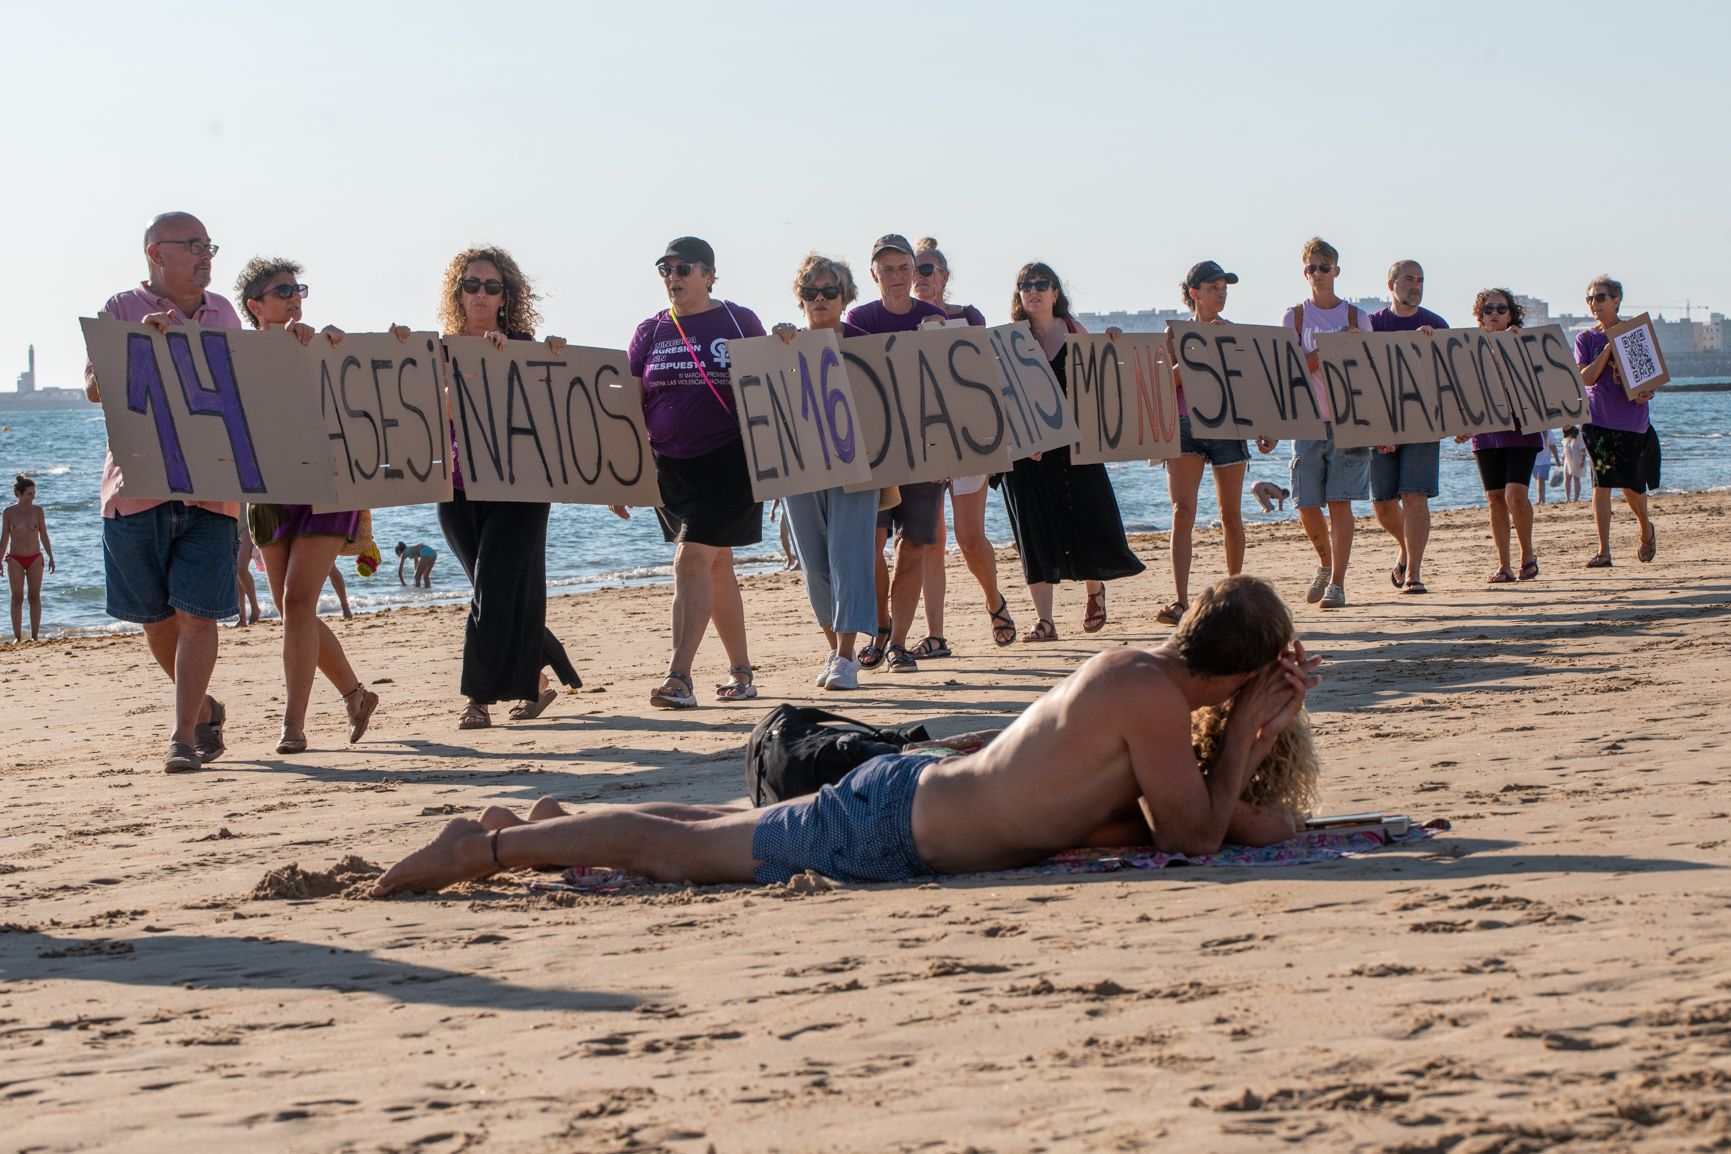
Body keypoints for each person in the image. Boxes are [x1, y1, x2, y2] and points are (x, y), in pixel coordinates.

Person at [372, 576, 1322, 896]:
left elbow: (1178, 825)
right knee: (684, 853)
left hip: (910, 802)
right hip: (895, 825)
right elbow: (1195, 837)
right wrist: (1244, 729)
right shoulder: (1152, 698)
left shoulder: (1135, 676)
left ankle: (557, 819)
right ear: (1236, 678)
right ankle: (488, 848)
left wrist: (1242, 753)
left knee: (704, 828)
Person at [86, 212, 242, 772]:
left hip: (211, 488)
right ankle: (201, 708)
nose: (206, 255)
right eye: (194, 245)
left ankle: (181, 736)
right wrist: (135, 349)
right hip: (140, 488)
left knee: (198, 615)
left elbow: (250, 389)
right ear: (157, 253)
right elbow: (93, 390)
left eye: (210, 246)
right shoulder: (120, 309)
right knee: (156, 620)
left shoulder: (223, 311)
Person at [234, 257, 380, 753]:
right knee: (290, 609)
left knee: (297, 602)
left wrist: (330, 350)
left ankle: (292, 725)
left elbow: (357, 396)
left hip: (324, 486)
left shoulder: (321, 345)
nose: (294, 297)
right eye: (281, 291)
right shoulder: (235, 353)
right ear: (255, 305)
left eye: (298, 289)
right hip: (268, 492)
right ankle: (356, 696)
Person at [433, 247, 582, 728]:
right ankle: (537, 684)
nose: (480, 293)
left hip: (519, 488)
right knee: (493, 592)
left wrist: (554, 357)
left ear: (505, 296)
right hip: (456, 488)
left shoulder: (524, 347)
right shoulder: (437, 349)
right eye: (472, 284)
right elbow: (435, 415)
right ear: (458, 293)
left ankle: (476, 699)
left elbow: (553, 410)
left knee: (493, 590)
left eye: (491, 286)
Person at [624, 237, 766, 708]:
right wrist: (619, 474)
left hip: (730, 460)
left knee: (690, 560)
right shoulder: (650, 331)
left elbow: (772, 386)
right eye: (665, 269)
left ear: (708, 274)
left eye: (683, 268)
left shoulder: (738, 321)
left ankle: (679, 677)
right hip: (670, 467)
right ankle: (742, 675)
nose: (673, 277)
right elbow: (628, 403)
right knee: (716, 565)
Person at [1000, 263, 1145, 640]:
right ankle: (1044, 620)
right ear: (1019, 294)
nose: (1033, 291)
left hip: (1076, 446)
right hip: (1028, 452)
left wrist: (1113, 343)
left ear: (1054, 291)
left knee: (1089, 516)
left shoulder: (1074, 331)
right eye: (1026, 285)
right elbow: (1001, 397)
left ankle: (1095, 589)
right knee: (1033, 529)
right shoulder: (1009, 339)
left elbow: (1107, 381)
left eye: (1041, 284)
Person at [843, 235, 951, 672]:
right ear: (874, 274)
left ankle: (900, 644)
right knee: (871, 544)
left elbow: (951, 386)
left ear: (914, 271)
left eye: (903, 268)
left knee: (914, 548)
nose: (895, 276)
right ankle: (881, 627)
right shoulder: (859, 319)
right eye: (886, 269)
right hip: (874, 452)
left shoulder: (934, 318)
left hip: (926, 450)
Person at [770, 254, 878, 691]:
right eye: (810, 292)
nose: (819, 299)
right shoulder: (783, 348)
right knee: (813, 564)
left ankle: (848, 656)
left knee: (847, 556)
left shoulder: (866, 347)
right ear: (800, 299)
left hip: (858, 468)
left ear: (845, 297)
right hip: (801, 469)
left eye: (829, 291)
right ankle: (835, 650)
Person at [910, 238, 1010, 651]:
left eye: (927, 269)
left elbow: (988, 376)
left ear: (944, 277)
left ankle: (995, 602)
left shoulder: (968, 318)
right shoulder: (899, 324)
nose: (919, 277)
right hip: (923, 441)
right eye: (913, 270)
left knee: (970, 539)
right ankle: (935, 636)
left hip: (970, 439)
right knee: (930, 541)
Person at [1156, 261, 1262, 627]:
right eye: (1214, 287)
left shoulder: (1233, 334)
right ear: (1193, 293)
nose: (1222, 293)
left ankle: (1234, 593)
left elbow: (1248, 387)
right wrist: (1197, 351)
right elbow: (1164, 386)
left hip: (1228, 426)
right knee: (1181, 512)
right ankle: (1181, 600)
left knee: (1230, 515)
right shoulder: (1174, 335)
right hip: (1186, 426)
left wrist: (1265, 426)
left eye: (1224, 287)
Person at [1284, 238, 1372, 610]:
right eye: (1311, 268)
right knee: (1305, 502)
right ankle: (1324, 562)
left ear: (1336, 271)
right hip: (1308, 420)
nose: (1317, 274)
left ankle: (1338, 582)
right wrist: (1325, 351)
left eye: (1324, 267)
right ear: (1304, 273)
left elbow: (1373, 373)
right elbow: (1290, 371)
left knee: (1340, 502)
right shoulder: (1295, 318)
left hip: (1349, 418)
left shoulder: (1357, 318)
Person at [1368, 260, 1448, 596]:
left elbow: (1451, 378)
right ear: (1391, 284)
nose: (1415, 285)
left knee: (1415, 496)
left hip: (1423, 423)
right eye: (1408, 279)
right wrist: (1379, 429)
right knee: (1383, 503)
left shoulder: (1436, 324)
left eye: (1421, 280)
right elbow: (1363, 379)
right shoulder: (1372, 324)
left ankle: (1414, 572)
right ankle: (1406, 549)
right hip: (1380, 423)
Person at [1575, 276, 1659, 568]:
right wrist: (1609, 347)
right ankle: (1604, 551)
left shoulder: (1635, 334)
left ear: (1616, 300)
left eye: (1599, 297)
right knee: (1601, 484)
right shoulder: (1586, 339)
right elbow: (1585, 378)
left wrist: (1646, 392)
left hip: (1632, 422)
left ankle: (1646, 529)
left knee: (1632, 486)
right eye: (1590, 299)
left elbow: (1647, 381)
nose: (1594, 304)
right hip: (1596, 421)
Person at [1462, 289, 1543, 584]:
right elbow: (1462, 389)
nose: (1494, 313)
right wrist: (1462, 423)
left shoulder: (1525, 343)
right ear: (1480, 316)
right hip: (1486, 432)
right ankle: (1504, 566)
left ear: (1511, 314)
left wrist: (1519, 346)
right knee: (1495, 499)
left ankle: (1527, 555)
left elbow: (1546, 381)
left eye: (1500, 308)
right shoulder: (1468, 348)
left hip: (1523, 428)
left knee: (1515, 494)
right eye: (1488, 309)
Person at [1, 474, 55, 642]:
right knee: (16, 598)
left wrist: (51, 556)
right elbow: (4, 538)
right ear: (19, 494)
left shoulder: (38, 511)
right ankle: (18, 637)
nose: (33, 496)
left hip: (35, 559)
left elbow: (44, 535)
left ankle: (34, 636)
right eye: (29, 494)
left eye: (34, 493)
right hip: (15, 559)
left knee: (34, 597)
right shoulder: (8, 512)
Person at [1561, 426, 1588, 503]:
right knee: (1567, 479)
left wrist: (1583, 461)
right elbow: (1565, 449)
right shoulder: (1566, 438)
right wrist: (1562, 458)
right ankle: (1567, 498)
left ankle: (1576, 498)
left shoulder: (1578, 436)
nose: (1565, 432)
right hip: (1567, 460)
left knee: (1576, 479)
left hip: (1577, 460)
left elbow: (1583, 449)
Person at [1533, 429, 1559, 505]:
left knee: (1540, 480)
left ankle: (1541, 500)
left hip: (1545, 461)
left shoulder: (1548, 432)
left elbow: (1553, 446)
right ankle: (1541, 499)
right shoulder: (1533, 431)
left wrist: (1557, 459)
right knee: (1538, 480)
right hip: (1534, 461)